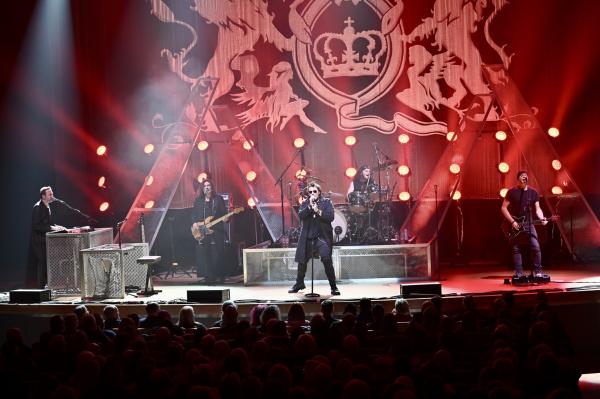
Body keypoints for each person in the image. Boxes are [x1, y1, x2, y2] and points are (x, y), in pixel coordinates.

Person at [289, 181, 340, 295]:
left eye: (314, 191)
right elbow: (301, 215)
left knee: (327, 260)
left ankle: (333, 286)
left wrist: (317, 210)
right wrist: (310, 207)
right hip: (308, 237)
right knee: (302, 261)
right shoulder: (305, 203)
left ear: (319, 192)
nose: (312, 193)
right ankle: (299, 284)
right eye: (310, 192)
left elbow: (330, 217)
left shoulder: (326, 202)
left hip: (321, 237)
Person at [501, 171, 549, 280]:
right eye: (522, 176)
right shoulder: (512, 192)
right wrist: (512, 222)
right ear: (518, 179)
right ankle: (519, 273)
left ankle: (538, 271)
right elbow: (503, 208)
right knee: (516, 248)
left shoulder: (533, 192)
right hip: (515, 223)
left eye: (526, 176)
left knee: (535, 246)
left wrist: (542, 218)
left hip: (528, 223)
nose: (524, 178)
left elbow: (538, 209)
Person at [27, 186, 65, 288]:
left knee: (47, 262)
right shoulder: (38, 207)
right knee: (42, 262)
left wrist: (58, 227)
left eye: (52, 194)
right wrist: (52, 228)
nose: (52, 196)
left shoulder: (47, 206)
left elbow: (50, 224)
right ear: (43, 196)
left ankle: (47, 285)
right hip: (38, 241)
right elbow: (36, 225)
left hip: (46, 239)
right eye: (50, 194)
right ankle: (41, 287)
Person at [192, 179, 227, 284]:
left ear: (212, 187)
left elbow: (224, 213)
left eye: (209, 185)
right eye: (205, 186)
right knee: (206, 253)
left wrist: (226, 219)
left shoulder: (218, 199)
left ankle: (221, 275)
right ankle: (209, 277)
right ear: (202, 189)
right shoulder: (198, 200)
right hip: (203, 228)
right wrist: (194, 222)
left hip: (217, 228)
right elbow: (193, 214)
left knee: (221, 252)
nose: (207, 187)